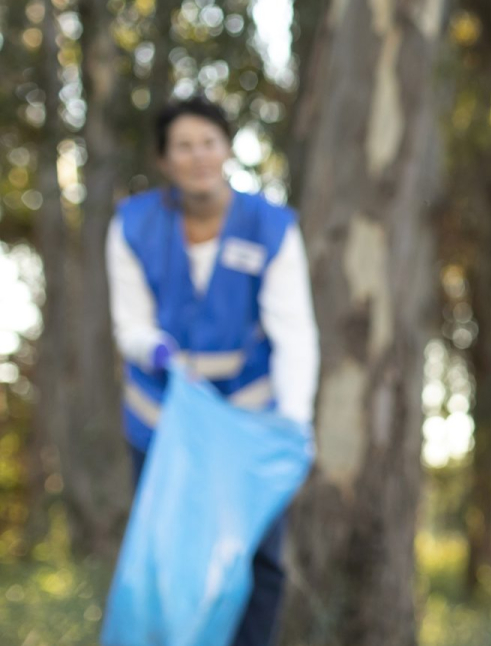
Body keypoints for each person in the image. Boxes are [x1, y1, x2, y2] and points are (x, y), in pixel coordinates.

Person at [107, 96, 319, 646]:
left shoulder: (270, 227)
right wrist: (156, 351)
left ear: (226, 148)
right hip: (163, 418)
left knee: (259, 559)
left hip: (248, 421)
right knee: (166, 557)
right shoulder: (133, 225)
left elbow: (293, 332)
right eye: (183, 146)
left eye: (208, 142)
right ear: (164, 160)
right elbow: (130, 323)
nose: (198, 156)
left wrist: (293, 424)